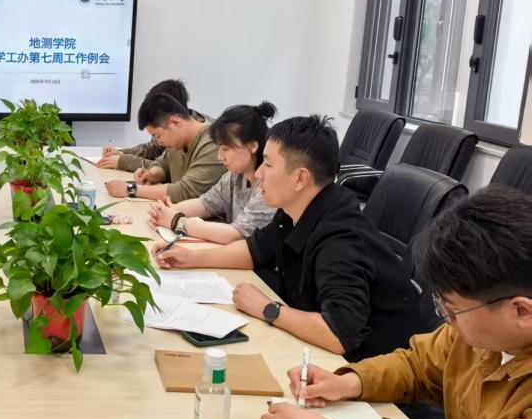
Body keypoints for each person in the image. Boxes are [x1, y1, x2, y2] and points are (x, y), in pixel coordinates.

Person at [260, 185, 532, 419]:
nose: (447, 321)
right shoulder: (481, 334)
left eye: (452, 310)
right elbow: (418, 365)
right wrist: (350, 382)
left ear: (521, 311)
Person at [152, 115, 423, 362]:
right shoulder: (296, 209)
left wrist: (267, 308)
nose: (259, 174)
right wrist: (191, 258)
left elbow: (339, 334)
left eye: (268, 164)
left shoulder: (340, 239)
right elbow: (254, 250)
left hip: (373, 370)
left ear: (300, 178)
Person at [147, 101, 277, 243]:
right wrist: (167, 211)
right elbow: (205, 204)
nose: (220, 156)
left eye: (226, 149)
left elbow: (236, 234)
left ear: (252, 146)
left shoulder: (268, 184)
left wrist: (177, 221)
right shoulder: (234, 176)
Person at [104, 93, 224, 202]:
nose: (159, 143)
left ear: (175, 122)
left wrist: (130, 189)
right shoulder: (178, 141)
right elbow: (162, 163)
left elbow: (185, 192)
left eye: (157, 136)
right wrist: (153, 174)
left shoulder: (214, 142)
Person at [96, 79, 189, 171]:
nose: (159, 142)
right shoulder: (171, 131)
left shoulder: (188, 139)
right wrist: (121, 153)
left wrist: (123, 161)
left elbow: (167, 169)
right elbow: (152, 149)